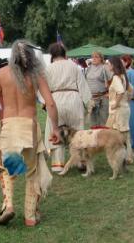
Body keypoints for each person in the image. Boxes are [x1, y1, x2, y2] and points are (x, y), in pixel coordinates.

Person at [0, 40, 61, 227]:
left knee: (6, 168)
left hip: (9, 126)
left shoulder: (2, 74)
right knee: (32, 173)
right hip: (29, 127)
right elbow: (50, 103)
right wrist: (56, 129)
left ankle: (9, 205)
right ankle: (30, 216)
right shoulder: (37, 76)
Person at [43, 43, 91, 174]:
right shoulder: (74, 66)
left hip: (55, 99)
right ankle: (81, 162)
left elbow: (43, 88)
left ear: (52, 54)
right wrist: (88, 102)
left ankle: (58, 164)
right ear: (64, 53)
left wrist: (44, 102)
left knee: (56, 129)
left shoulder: (48, 69)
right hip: (73, 98)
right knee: (78, 130)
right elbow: (82, 85)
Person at [105, 56, 134, 163]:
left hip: (118, 110)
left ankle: (122, 156)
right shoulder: (123, 76)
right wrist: (127, 100)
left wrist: (116, 104)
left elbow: (121, 91)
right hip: (125, 108)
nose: (107, 65)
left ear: (113, 65)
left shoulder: (117, 77)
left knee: (118, 134)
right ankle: (128, 156)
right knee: (125, 133)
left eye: (108, 64)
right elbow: (131, 90)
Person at [85, 51, 111, 126]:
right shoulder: (89, 68)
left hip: (102, 98)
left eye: (96, 57)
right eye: (93, 57)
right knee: (93, 123)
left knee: (103, 121)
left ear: (101, 58)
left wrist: (109, 92)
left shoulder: (105, 67)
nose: (94, 59)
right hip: (92, 99)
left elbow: (113, 79)